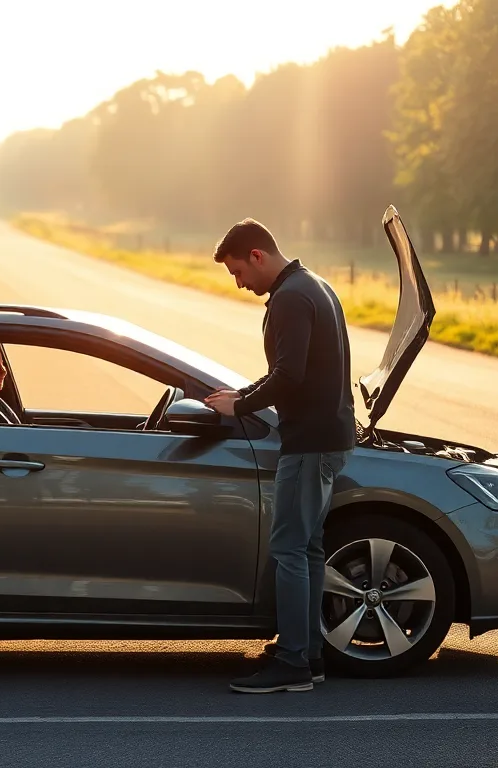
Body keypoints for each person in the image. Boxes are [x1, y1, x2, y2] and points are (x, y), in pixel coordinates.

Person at [203, 218, 355, 694]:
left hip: (308, 443)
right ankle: (308, 653)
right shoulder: (316, 286)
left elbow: (288, 375)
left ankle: (292, 663)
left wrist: (240, 405)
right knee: (307, 549)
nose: (240, 283)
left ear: (256, 256)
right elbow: (296, 371)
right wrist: (244, 392)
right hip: (330, 437)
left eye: (237, 272)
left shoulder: (290, 298)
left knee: (289, 548)